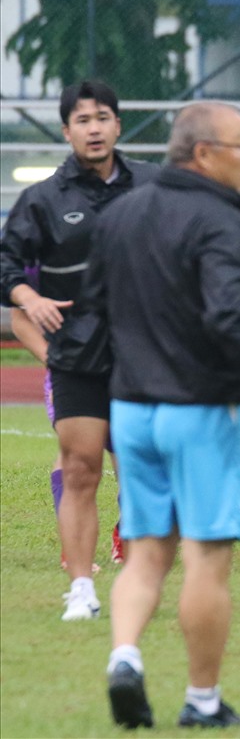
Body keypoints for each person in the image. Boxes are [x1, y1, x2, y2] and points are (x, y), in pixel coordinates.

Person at [70, 102, 240, 729]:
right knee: (205, 558)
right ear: (203, 153)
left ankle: (125, 657)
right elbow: (228, 314)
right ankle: (202, 701)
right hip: (199, 412)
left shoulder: (119, 214)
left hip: (132, 412)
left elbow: (91, 310)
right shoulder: (218, 221)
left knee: (147, 553)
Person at [0, 80, 157, 618]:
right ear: (67, 131)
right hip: (77, 356)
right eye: (83, 120)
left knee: (144, 469)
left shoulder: (155, 187)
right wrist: (27, 295)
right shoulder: (42, 199)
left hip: (144, 356)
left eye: (104, 117)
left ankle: (137, 577)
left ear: (118, 125)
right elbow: (5, 264)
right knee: (81, 467)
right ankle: (82, 591)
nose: (94, 128)